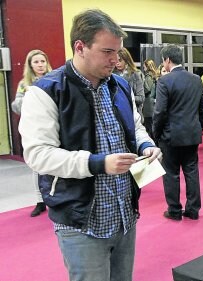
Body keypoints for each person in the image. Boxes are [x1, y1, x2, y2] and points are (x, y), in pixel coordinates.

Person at [18, 9, 161, 280]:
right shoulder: (47, 91)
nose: (116, 60)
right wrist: (97, 163)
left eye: (118, 52)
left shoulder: (119, 85)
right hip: (81, 220)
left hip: (124, 214)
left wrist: (145, 145)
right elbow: (38, 155)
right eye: (107, 51)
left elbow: (136, 126)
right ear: (80, 47)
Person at [154, 44, 203, 221]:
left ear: (167, 60)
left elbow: (159, 112)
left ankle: (174, 211)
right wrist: (198, 127)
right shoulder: (196, 79)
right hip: (191, 134)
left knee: (171, 173)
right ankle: (193, 210)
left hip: (170, 136)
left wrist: (156, 134)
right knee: (192, 172)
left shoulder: (164, 81)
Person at [10, 49, 52, 217]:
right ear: (30, 65)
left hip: (53, 127)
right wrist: (29, 96)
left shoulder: (55, 78)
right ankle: (40, 201)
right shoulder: (24, 84)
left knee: (55, 165)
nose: (40, 65)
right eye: (36, 62)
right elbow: (16, 106)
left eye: (42, 61)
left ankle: (56, 199)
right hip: (34, 130)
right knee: (37, 166)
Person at [116, 47, 145, 116]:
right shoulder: (112, 75)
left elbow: (141, 98)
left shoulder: (135, 74)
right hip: (117, 114)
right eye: (116, 61)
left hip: (132, 114)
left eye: (120, 60)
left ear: (126, 60)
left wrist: (124, 97)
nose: (117, 63)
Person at [142, 59, 159, 138]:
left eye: (144, 66)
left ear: (147, 66)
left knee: (149, 127)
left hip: (148, 104)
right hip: (152, 103)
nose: (143, 67)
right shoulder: (154, 76)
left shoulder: (148, 76)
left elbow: (147, 89)